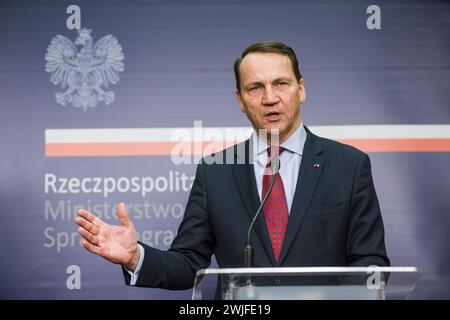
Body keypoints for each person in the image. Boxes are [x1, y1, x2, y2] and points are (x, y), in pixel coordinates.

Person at [75, 41, 390, 294]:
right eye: (255, 88)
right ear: (240, 100)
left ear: (301, 89)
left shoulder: (349, 165)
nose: (270, 98)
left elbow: (370, 263)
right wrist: (134, 257)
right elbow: (188, 265)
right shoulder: (216, 171)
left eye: (281, 83)